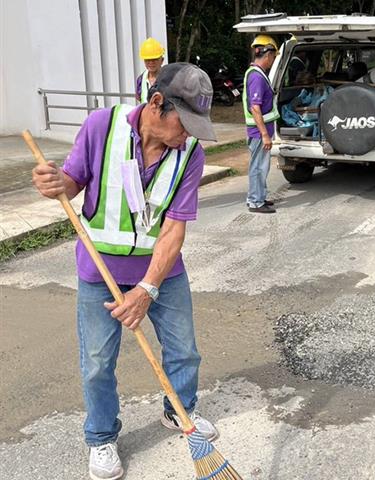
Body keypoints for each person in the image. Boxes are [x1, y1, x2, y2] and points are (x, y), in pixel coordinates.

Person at [32, 63, 218, 480]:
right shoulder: (102, 126)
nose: (187, 135)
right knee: (98, 362)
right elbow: (72, 181)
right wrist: (55, 183)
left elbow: (174, 228)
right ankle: (100, 437)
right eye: (183, 123)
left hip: (162, 272)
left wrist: (147, 288)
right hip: (100, 271)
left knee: (184, 349)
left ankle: (180, 411)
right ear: (157, 103)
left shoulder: (190, 154)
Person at [243, 34, 280, 214]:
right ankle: (256, 202)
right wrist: (265, 134)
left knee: (261, 166)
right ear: (268, 54)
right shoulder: (257, 77)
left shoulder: (258, 74)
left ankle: (259, 196)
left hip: (260, 131)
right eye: (273, 56)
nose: (273, 60)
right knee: (258, 166)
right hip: (259, 133)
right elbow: (255, 108)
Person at [136, 37, 165, 103]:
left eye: (155, 59)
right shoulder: (141, 80)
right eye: (148, 60)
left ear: (162, 60)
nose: (151, 63)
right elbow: (139, 99)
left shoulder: (169, 78)